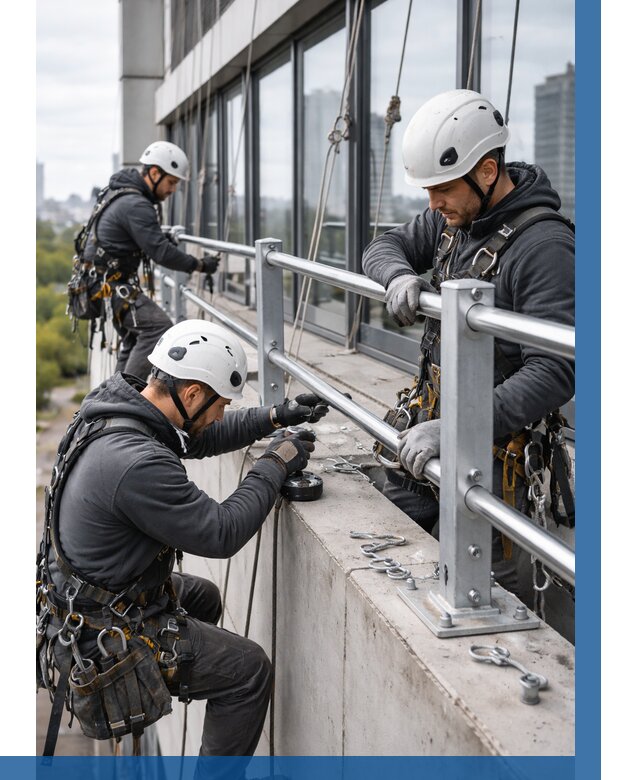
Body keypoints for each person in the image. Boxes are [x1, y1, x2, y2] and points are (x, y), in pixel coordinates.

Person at [37, 319, 329, 772]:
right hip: (100, 635)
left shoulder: (119, 412)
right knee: (247, 670)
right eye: (218, 405)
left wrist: (276, 416)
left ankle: (182, 673)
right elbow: (221, 532)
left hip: (88, 599)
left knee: (204, 596)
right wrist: (276, 463)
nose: (218, 415)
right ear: (191, 393)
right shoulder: (136, 463)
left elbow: (199, 436)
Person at [362, 89, 575, 602]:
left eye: (441, 188)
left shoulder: (544, 249)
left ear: (485, 171)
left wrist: (457, 427)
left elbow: (555, 369)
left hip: (495, 457)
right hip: (433, 436)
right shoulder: (452, 218)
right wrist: (397, 276)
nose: (432, 204)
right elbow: (382, 246)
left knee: (479, 592)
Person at [80, 141, 220, 381]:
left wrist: (158, 237)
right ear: (154, 173)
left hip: (103, 283)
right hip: (108, 285)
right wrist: (200, 265)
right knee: (157, 328)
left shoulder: (123, 195)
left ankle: (116, 397)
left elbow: (138, 239)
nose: (172, 190)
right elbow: (161, 253)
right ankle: (123, 400)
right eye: (172, 182)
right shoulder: (136, 204)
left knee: (134, 338)